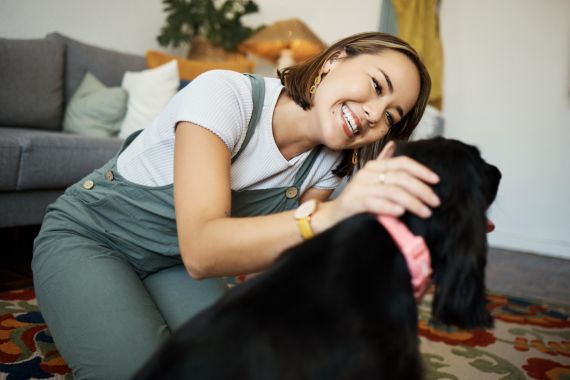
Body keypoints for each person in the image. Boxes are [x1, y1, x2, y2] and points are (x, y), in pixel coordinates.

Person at [32, 31, 440, 379]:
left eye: (391, 115)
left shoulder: (330, 166)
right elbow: (203, 251)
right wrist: (332, 214)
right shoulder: (225, 95)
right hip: (92, 238)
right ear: (334, 60)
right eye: (376, 85)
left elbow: (295, 265)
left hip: (170, 261)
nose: (373, 113)